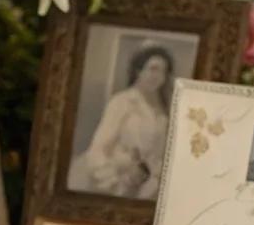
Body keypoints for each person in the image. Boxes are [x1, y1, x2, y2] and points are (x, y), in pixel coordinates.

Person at [69, 44, 176, 199]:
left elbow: (159, 155)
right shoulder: (122, 102)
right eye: (152, 69)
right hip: (114, 181)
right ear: (138, 70)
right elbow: (98, 149)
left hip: (147, 187)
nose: (157, 76)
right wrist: (115, 181)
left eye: (163, 71)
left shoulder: (163, 110)